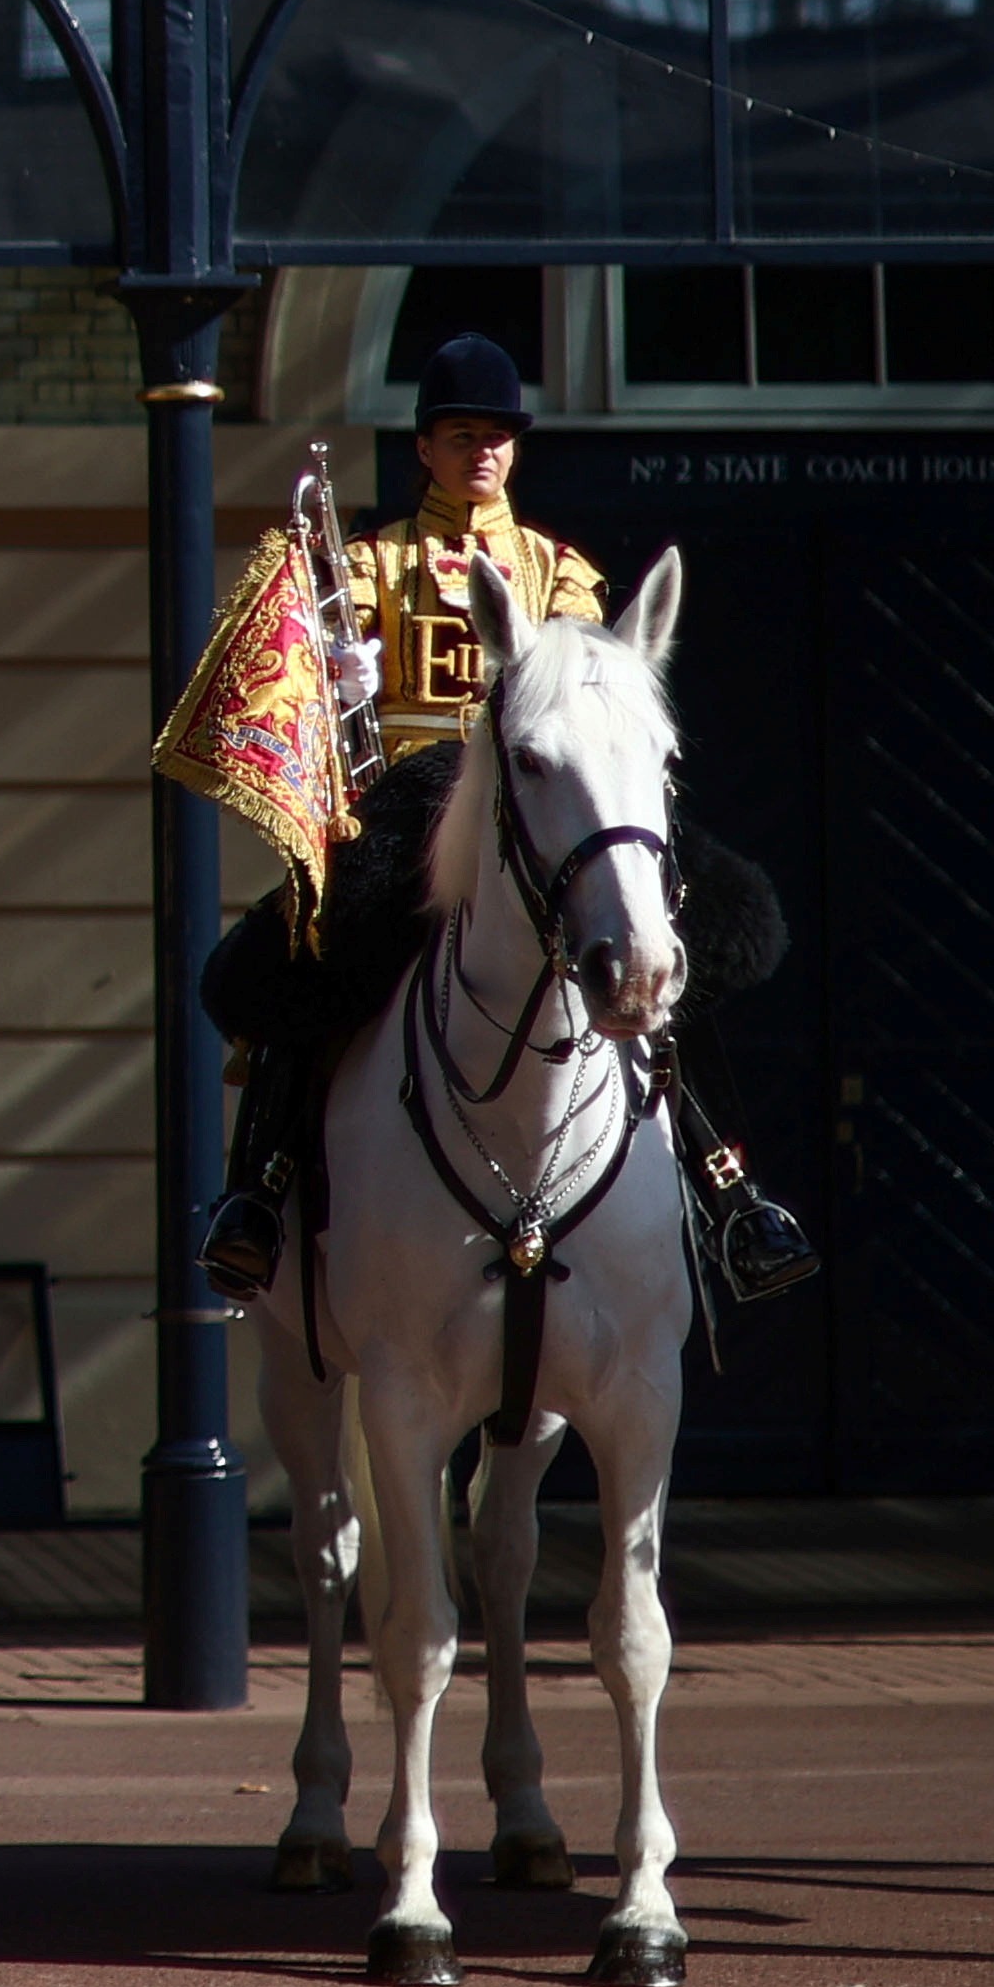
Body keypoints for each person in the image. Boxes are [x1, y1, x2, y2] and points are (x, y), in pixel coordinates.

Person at [183, 331, 815, 1313]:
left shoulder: (560, 574)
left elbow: (602, 699)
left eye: (498, 436)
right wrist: (329, 679)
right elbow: (296, 709)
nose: (482, 451)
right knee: (303, 960)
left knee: (670, 924)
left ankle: (726, 1184)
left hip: (548, 815)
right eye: (461, 433)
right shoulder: (365, 563)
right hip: (409, 822)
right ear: (426, 448)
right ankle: (259, 1195)